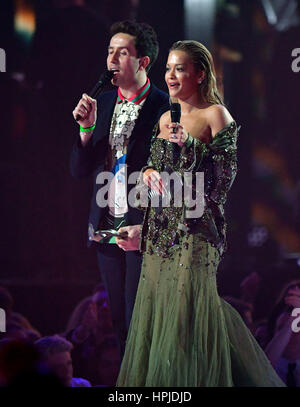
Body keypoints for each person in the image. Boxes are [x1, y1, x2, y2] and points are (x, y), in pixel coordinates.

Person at [115, 40, 285, 386]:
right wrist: (147, 175)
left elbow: (224, 180)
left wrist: (189, 145)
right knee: (158, 320)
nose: (171, 75)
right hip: (159, 235)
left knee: (189, 318)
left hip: (196, 232)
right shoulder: (165, 117)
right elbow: (154, 170)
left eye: (180, 68)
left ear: (200, 74)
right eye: (168, 68)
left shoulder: (216, 115)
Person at [70, 20, 169, 358]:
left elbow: (176, 179)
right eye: (110, 51)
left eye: (122, 52)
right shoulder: (104, 102)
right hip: (106, 227)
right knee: (120, 325)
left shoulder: (165, 107)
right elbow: (79, 170)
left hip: (143, 229)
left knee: (143, 322)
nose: (111, 59)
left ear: (143, 61)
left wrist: (150, 225)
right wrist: (85, 130)